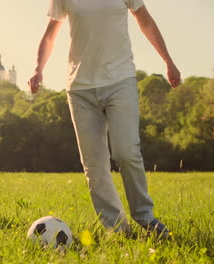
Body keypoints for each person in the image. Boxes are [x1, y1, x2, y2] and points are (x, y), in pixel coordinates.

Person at [28, 0, 181, 238]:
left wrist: (168, 60)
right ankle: (117, 229)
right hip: (80, 89)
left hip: (120, 81)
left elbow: (146, 22)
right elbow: (50, 35)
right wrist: (38, 68)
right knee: (95, 165)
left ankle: (145, 217)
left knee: (126, 152)